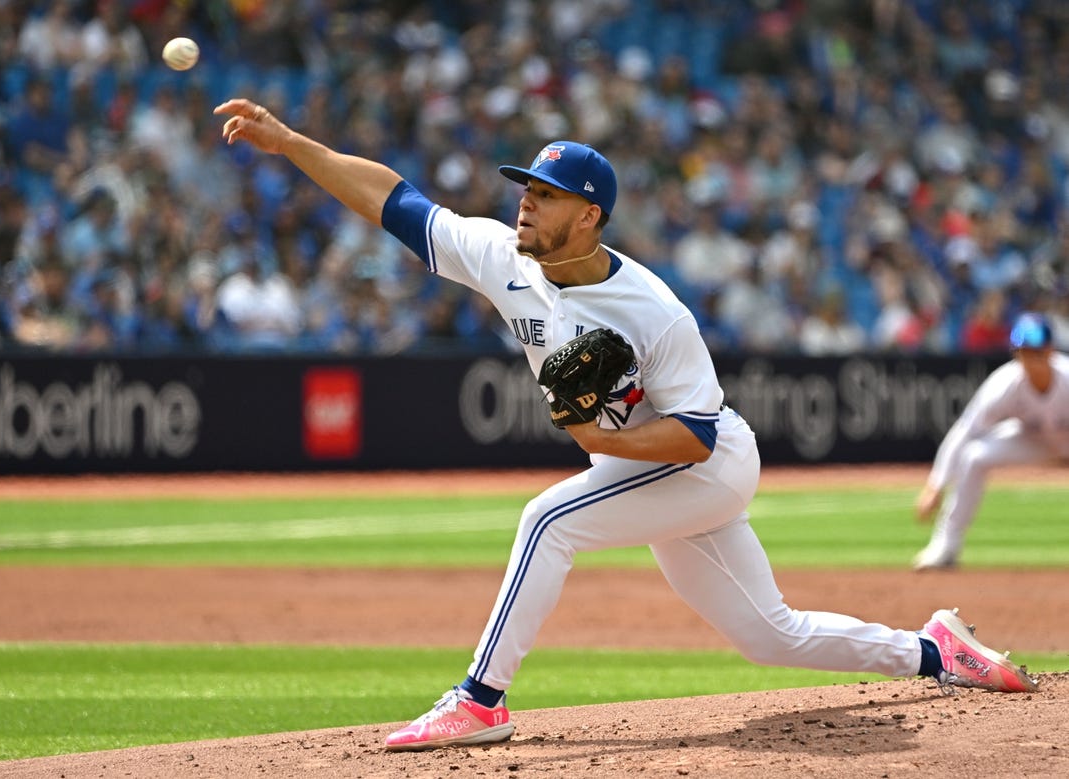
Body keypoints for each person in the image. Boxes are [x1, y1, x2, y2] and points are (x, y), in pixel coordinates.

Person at [214, 98, 1039, 751]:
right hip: (661, 468)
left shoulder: (653, 311)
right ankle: (937, 650)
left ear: (590, 216)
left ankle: (479, 701)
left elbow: (696, 436)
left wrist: (603, 442)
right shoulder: (507, 259)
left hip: (704, 461)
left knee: (547, 519)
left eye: (544, 196)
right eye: (525, 191)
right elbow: (395, 200)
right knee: (768, 634)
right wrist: (291, 143)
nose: (524, 206)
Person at [913, 312, 1069, 570]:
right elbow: (965, 431)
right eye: (1024, 353)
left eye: (1037, 352)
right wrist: (935, 485)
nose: (1031, 360)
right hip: (1033, 440)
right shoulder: (1005, 383)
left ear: (1051, 350)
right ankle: (945, 546)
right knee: (974, 455)